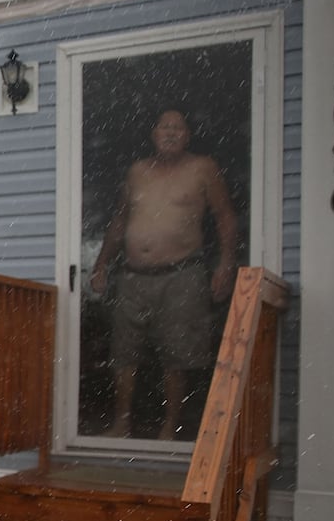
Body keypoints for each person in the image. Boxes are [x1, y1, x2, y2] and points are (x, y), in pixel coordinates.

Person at [89, 108, 238, 440]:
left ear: (188, 136)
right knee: (124, 354)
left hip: (182, 274)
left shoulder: (203, 168)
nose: (171, 132)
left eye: (178, 128)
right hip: (133, 276)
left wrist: (226, 265)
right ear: (153, 135)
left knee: (178, 354)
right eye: (164, 127)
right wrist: (101, 264)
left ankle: (171, 425)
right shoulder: (137, 172)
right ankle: (122, 422)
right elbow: (118, 222)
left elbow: (225, 217)